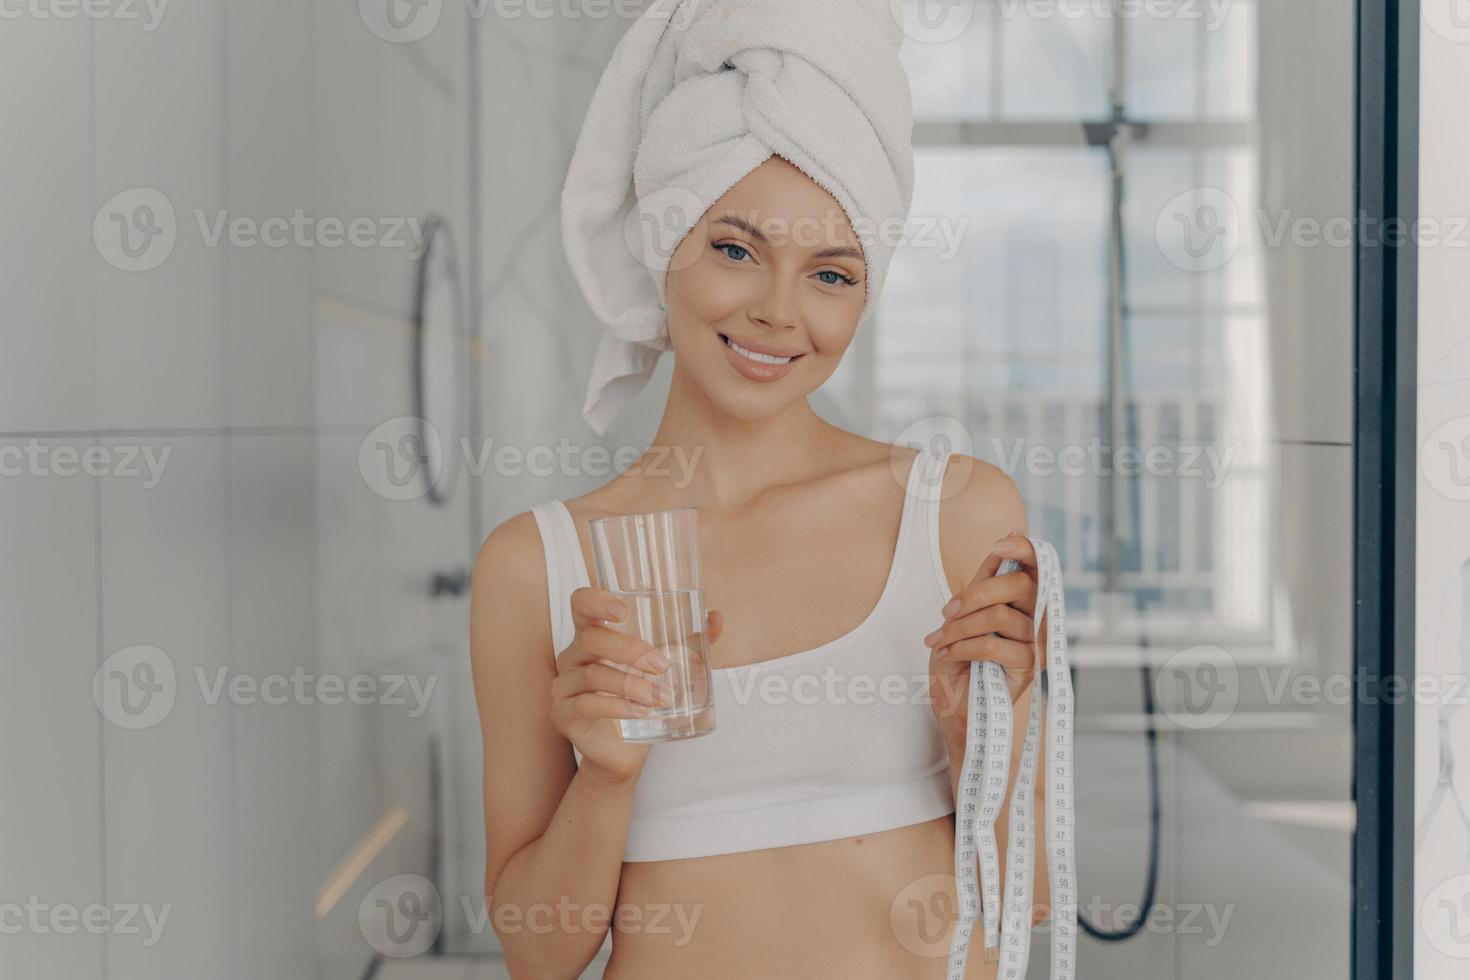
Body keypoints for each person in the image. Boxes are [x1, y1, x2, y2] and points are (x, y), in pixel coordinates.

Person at [471, 3, 1050, 977]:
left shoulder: (955, 516)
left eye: (830, 272)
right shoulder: (539, 566)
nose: (779, 312)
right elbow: (538, 949)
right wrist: (606, 777)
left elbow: (1023, 900)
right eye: (736, 250)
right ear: (665, 247)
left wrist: (967, 735)